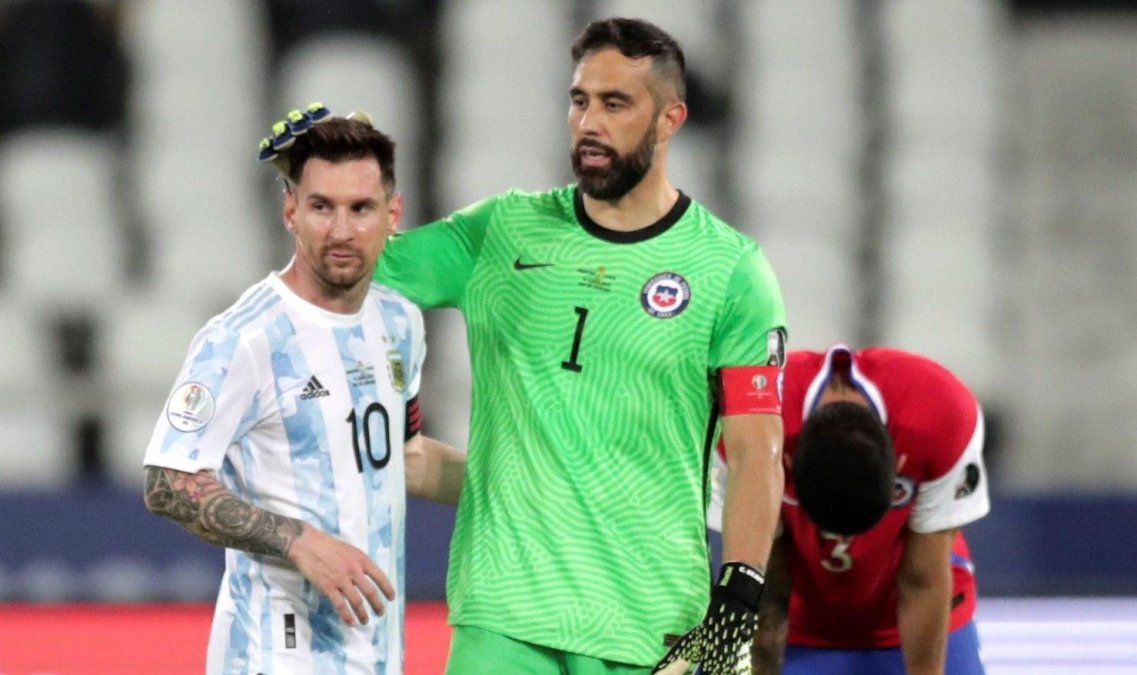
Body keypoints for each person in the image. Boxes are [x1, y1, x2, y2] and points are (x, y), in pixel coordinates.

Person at [369, 16, 788, 675]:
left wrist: (737, 600)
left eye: (615, 103)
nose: (589, 122)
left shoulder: (731, 271)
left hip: (648, 625)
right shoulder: (502, 230)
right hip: (502, 617)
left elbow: (758, 451)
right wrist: (329, 186)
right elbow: (350, 272)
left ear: (669, 118)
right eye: (580, 100)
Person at [142, 105, 465, 675]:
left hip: (375, 651)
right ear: (291, 210)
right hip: (273, 652)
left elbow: (404, 458)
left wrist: (525, 487)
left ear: (394, 213)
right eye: (322, 207)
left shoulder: (400, 321)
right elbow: (167, 482)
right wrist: (300, 541)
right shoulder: (244, 338)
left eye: (360, 208)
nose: (341, 230)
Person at [711, 345, 990, 675]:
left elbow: (921, 578)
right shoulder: (747, 430)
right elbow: (765, 583)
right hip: (801, 617)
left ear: (898, 468)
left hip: (913, 609)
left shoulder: (943, 415)